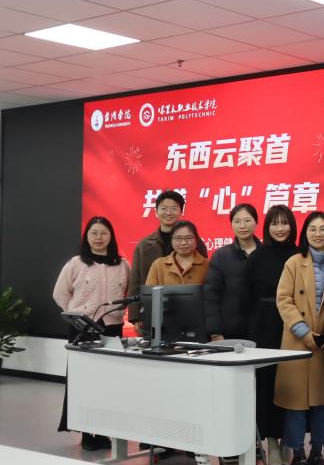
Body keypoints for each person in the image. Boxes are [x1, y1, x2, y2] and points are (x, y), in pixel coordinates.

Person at [53, 216, 129, 450]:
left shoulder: (123, 264)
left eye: (103, 233)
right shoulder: (75, 264)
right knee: (84, 381)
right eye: (94, 233)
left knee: (108, 382)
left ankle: (104, 433)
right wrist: (76, 314)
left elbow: (127, 292)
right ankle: (86, 432)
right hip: (82, 329)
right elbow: (60, 294)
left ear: (111, 236)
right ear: (86, 237)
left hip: (112, 328)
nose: (98, 237)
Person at [274, 211, 324, 465]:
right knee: (296, 403)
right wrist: (302, 330)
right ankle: (298, 453)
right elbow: (284, 299)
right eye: (313, 229)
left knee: (322, 403)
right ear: (305, 233)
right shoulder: (294, 262)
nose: (318, 234)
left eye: (323, 229)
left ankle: (317, 452)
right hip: (297, 341)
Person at [244, 205, 298, 465]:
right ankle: (272, 442)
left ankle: (290, 440)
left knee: (291, 384)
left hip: (293, 325)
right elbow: (246, 296)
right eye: (275, 223)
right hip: (263, 326)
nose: (280, 228)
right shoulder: (257, 256)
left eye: (284, 223)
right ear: (267, 227)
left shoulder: (300, 254)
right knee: (267, 385)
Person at [127, 189, 183, 330]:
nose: (168, 213)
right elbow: (135, 282)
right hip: (151, 310)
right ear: (156, 212)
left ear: (181, 212)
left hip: (183, 310)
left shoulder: (193, 243)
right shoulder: (144, 245)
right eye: (164, 208)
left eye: (174, 208)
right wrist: (135, 317)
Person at [204, 204, 260, 342]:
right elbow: (211, 296)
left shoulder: (266, 254)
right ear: (231, 224)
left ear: (256, 222)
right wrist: (215, 331)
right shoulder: (221, 256)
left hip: (262, 328)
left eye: (247, 220)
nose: (242, 226)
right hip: (230, 332)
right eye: (237, 221)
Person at [144, 220, 209, 287]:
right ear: (171, 240)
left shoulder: (207, 266)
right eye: (178, 238)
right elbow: (149, 292)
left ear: (196, 239)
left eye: (188, 238)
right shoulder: (158, 265)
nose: (183, 243)